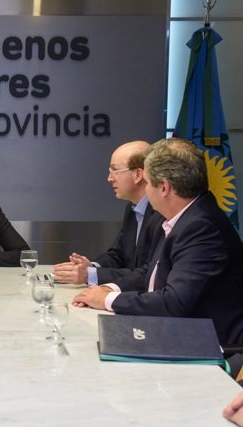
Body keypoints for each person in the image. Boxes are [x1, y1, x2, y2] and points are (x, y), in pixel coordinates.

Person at [72, 138, 243, 345]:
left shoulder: (201, 227)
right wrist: (109, 290)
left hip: (206, 346)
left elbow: (174, 302)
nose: (145, 190)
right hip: (172, 332)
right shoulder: (176, 217)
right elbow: (149, 273)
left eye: (147, 182)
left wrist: (108, 300)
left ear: (163, 187)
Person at [53, 140, 162, 285]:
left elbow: (149, 274)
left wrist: (90, 275)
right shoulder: (132, 209)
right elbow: (118, 255)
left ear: (137, 175)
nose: (109, 178)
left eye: (115, 171)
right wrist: (90, 267)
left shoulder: (162, 212)